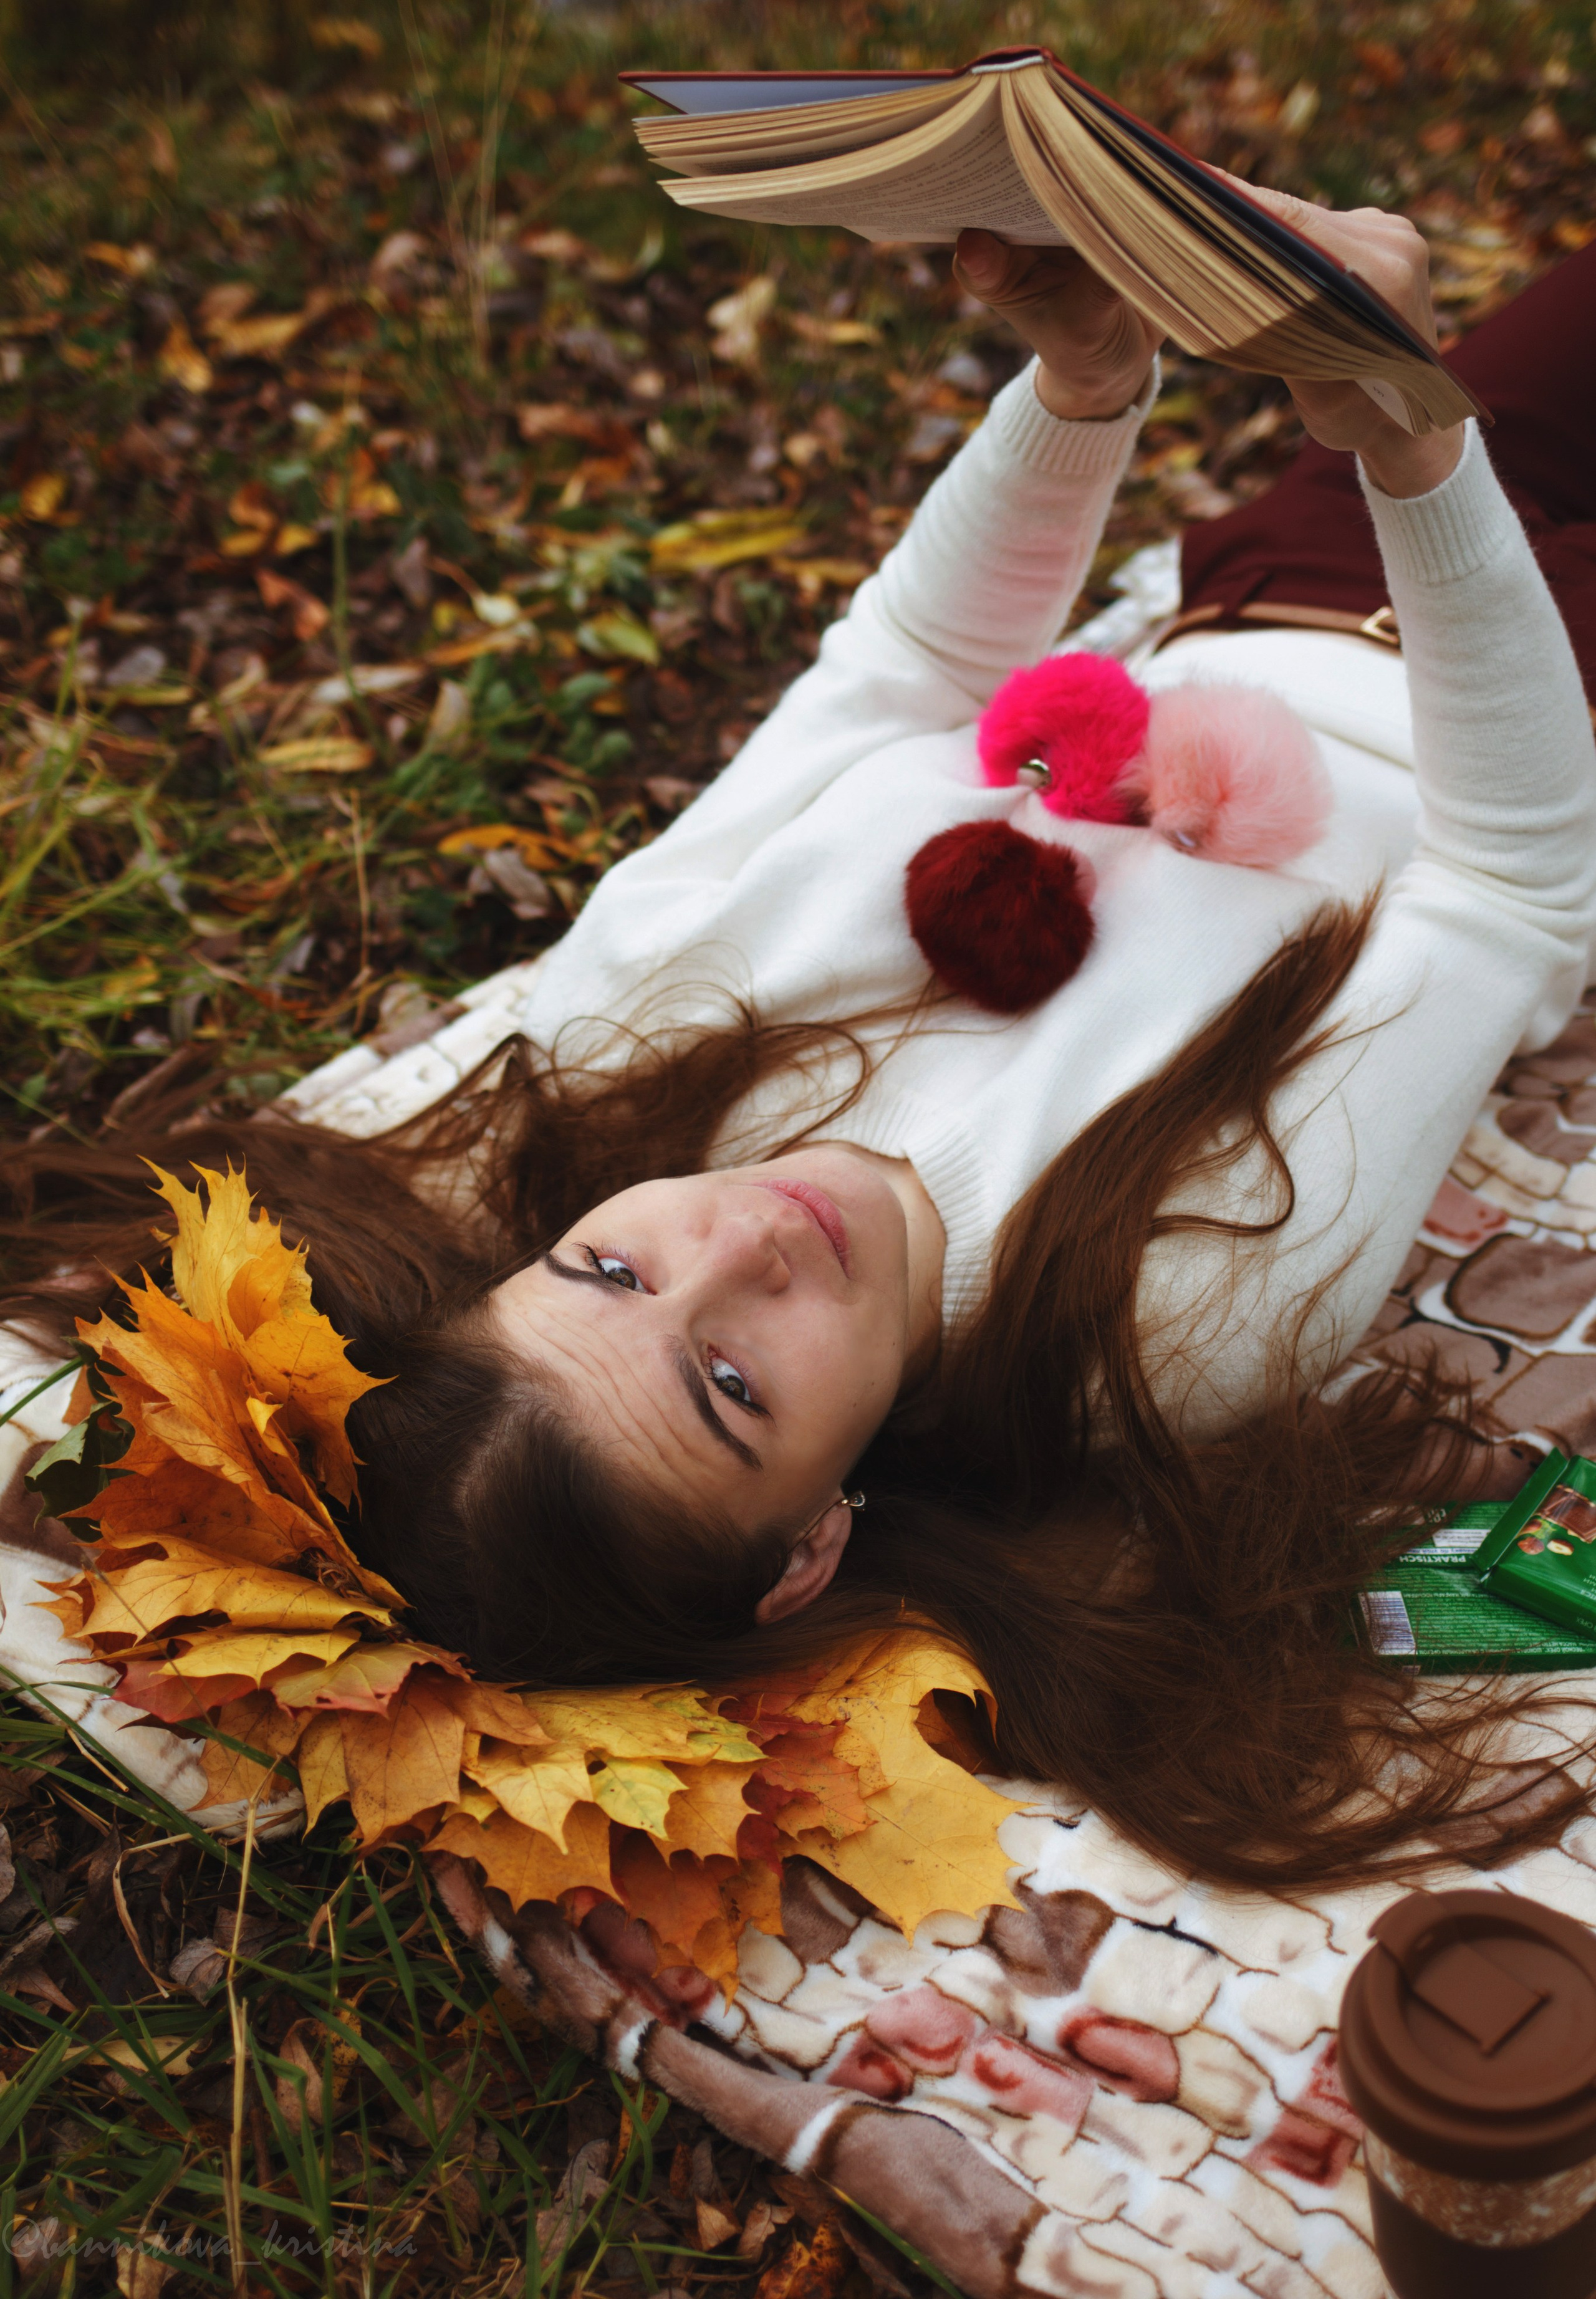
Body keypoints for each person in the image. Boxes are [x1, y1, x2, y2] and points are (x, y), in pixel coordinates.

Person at [7, 180, 1596, 1893]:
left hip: (1292, 564)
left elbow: (906, 670)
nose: (745, 1243)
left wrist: (1081, 379)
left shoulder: (632, 1020)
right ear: (809, 1551)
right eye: (733, 1386)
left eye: (610, 1275)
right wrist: (1419, 453)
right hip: (1550, 679)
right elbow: (1512, 893)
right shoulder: (1172, 1322)